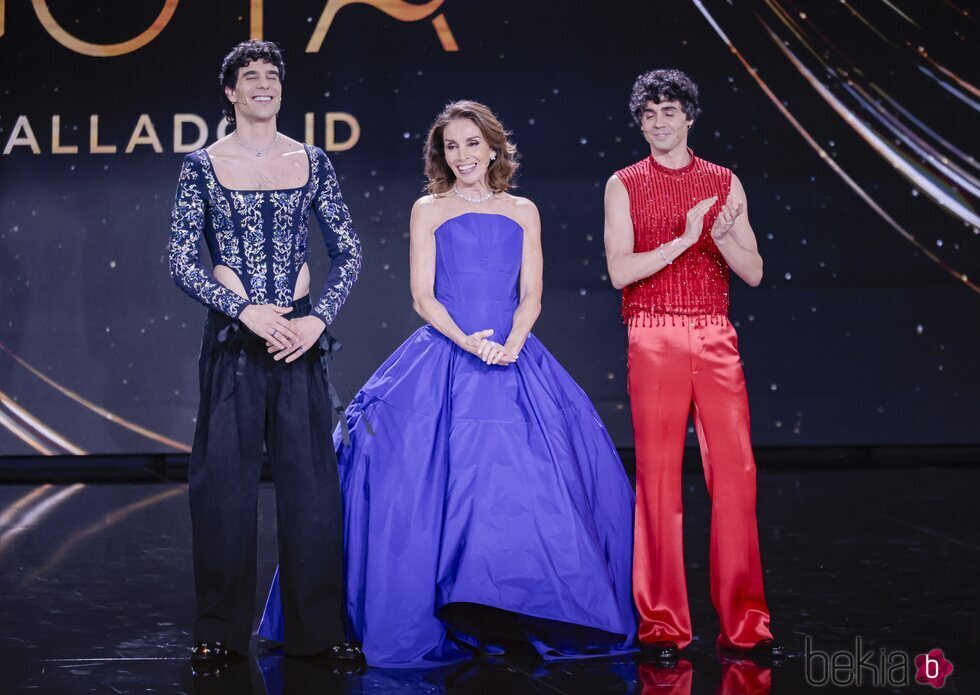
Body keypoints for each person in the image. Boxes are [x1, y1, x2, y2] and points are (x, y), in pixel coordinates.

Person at [259, 100, 637, 667]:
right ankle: (439, 611)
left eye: (471, 144)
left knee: (528, 486)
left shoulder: (524, 209)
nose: (461, 156)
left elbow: (532, 292)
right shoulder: (428, 209)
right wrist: (469, 342)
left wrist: (511, 342)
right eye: (451, 146)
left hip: (514, 355)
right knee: (416, 478)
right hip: (448, 350)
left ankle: (519, 612)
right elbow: (422, 296)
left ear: (492, 147)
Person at [168, 40, 363, 665]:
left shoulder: (312, 160)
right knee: (222, 488)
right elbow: (179, 259)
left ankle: (320, 630)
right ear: (230, 92)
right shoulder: (202, 164)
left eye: (272, 77)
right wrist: (245, 309)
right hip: (233, 340)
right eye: (250, 77)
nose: (263, 85)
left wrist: (316, 322)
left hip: (300, 343)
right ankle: (218, 632)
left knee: (310, 489)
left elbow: (348, 253)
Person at [603, 69, 784, 660]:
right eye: (649, 114)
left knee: (735, 478)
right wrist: (684, 238)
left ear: (689, 116)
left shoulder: (725, 181)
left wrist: (723, 237)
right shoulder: (623, 183)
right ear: (640, 122)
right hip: (652, 336)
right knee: (657, 482)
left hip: (714, 335)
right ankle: (663, 624)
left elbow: (754, 271)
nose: (659, 122)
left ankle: (745, 624)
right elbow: (621, 272)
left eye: (669, 112)